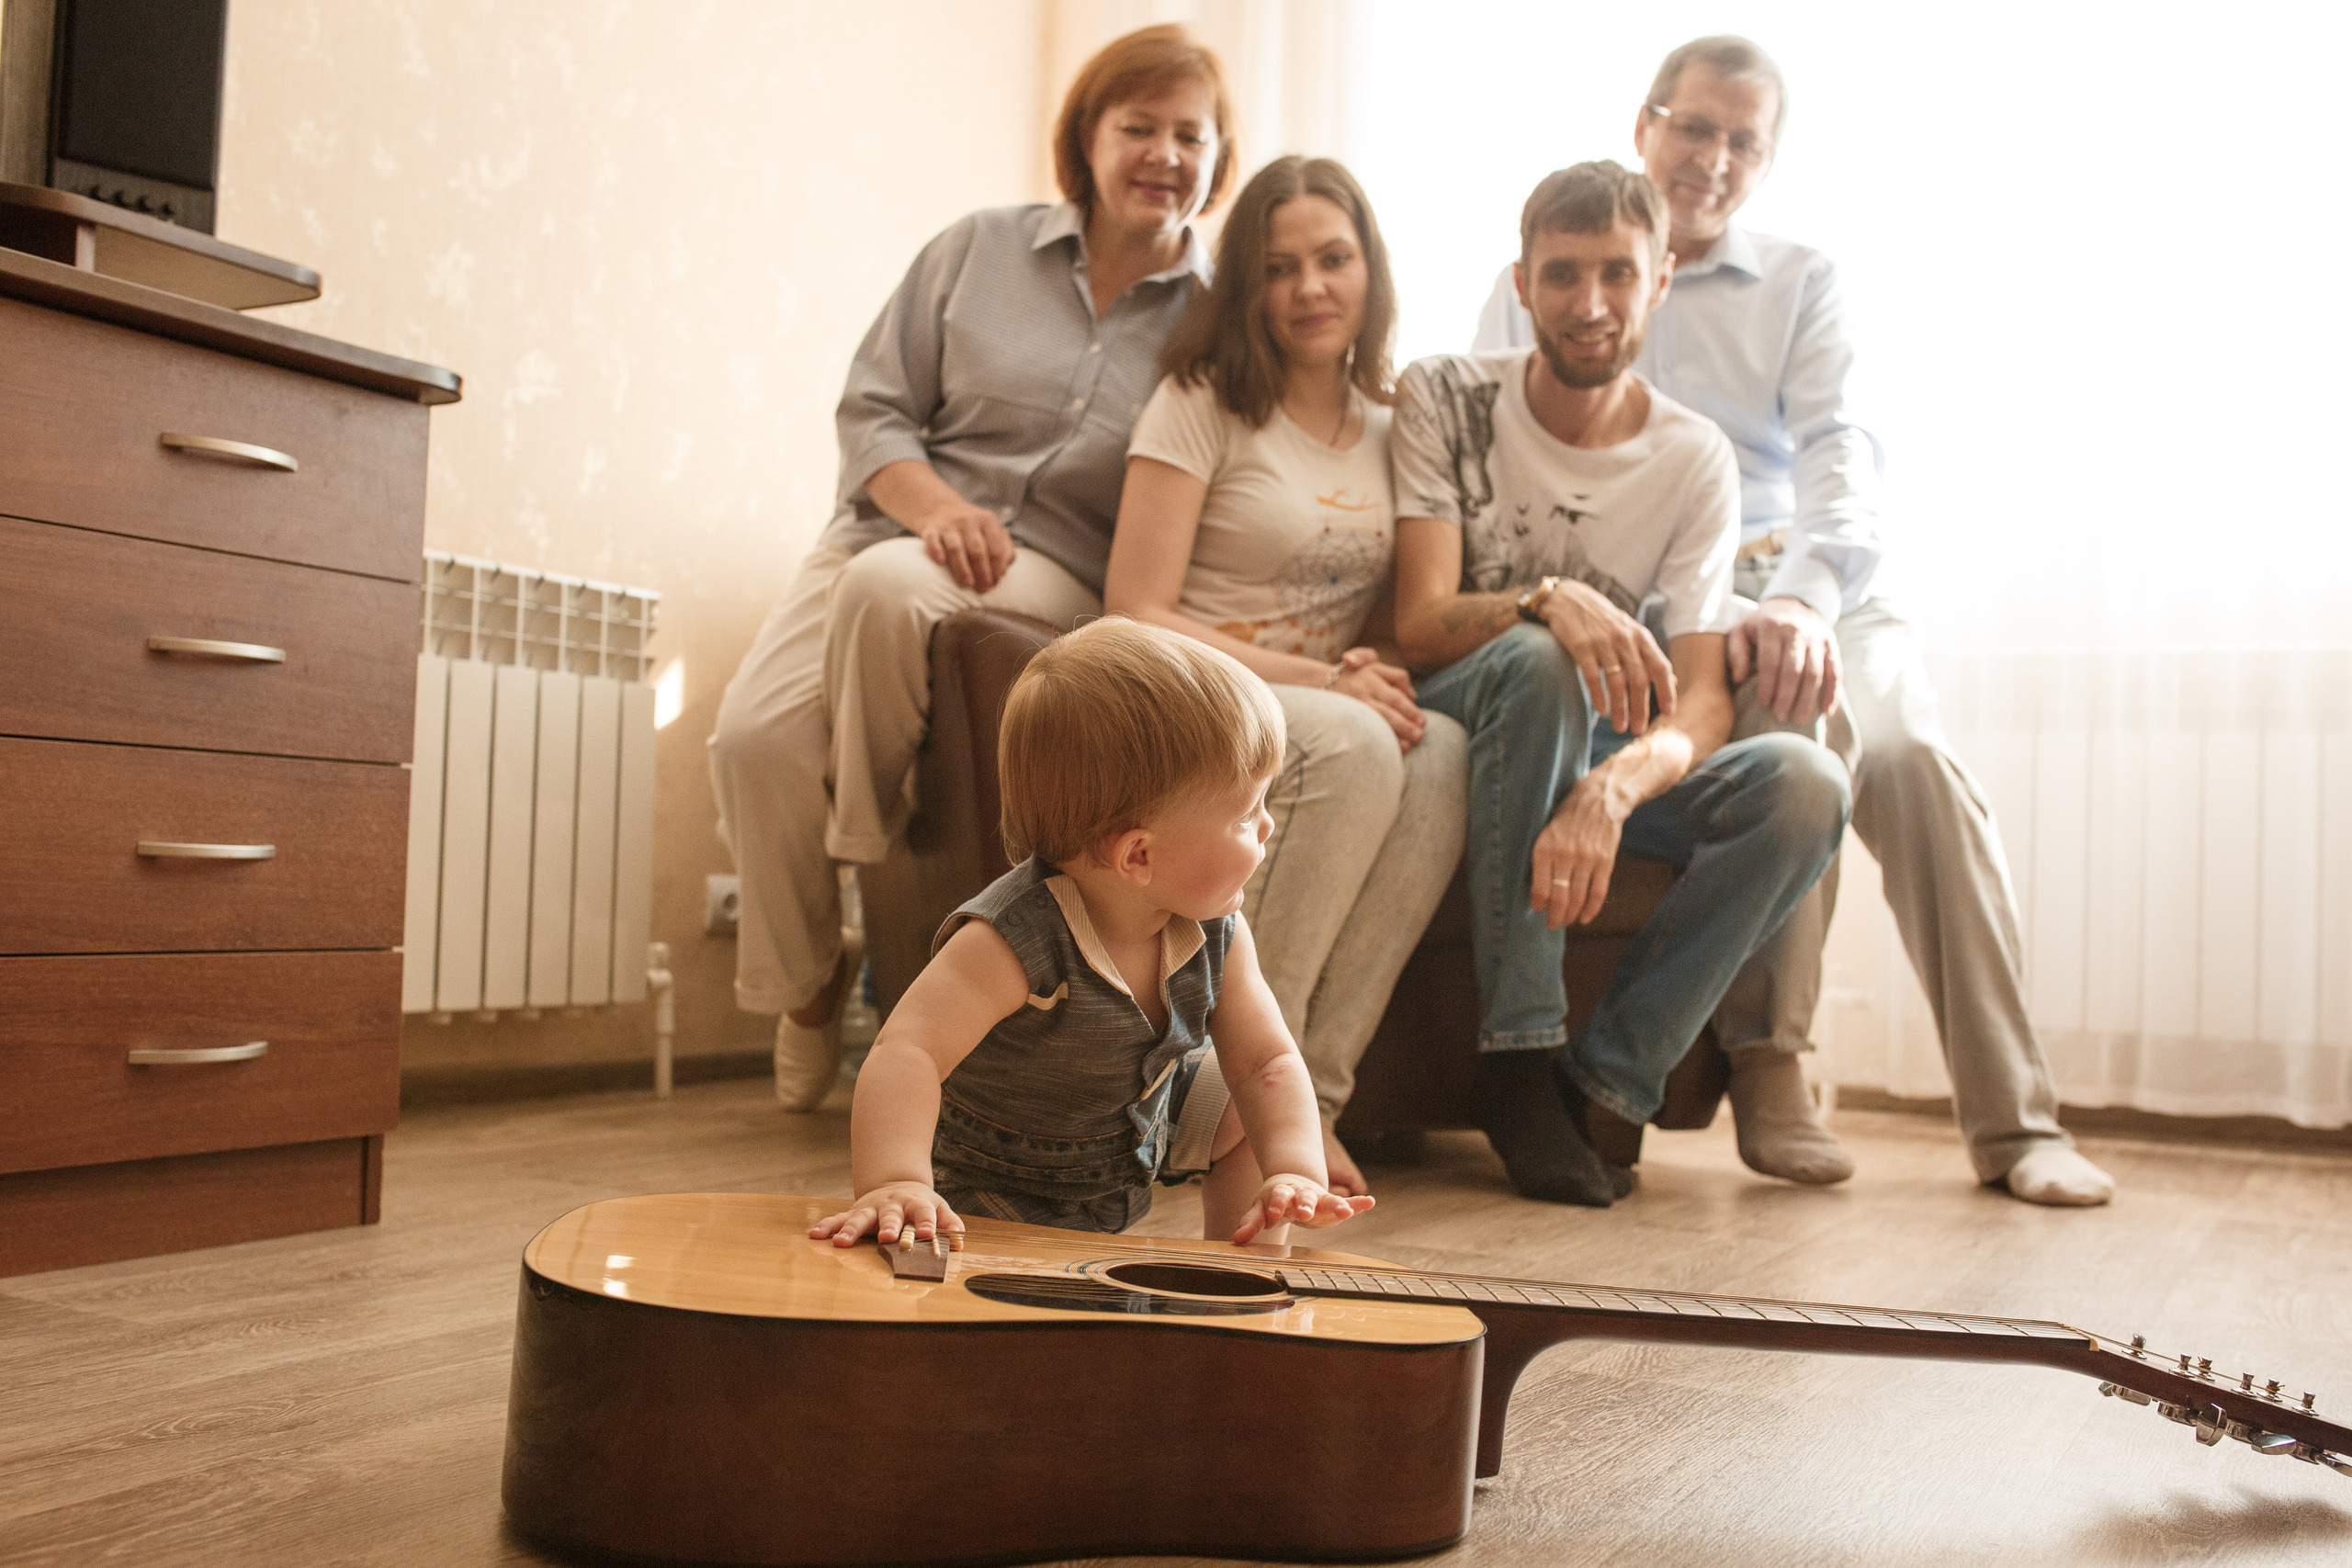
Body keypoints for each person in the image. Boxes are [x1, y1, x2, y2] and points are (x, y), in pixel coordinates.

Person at [1472, 37, 2114, 1205]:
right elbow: (1494, 458)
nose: (1712, 158)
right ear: (1645, 125)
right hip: (1651, 601)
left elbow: (1841, 455)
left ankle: (2017, 1124)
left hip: (1805, 577)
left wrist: (1801, 597)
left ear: (1767, 160)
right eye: (1694, 127)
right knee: (1789, 727)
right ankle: (1772, 1062)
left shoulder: (1801, 280)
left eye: (1742, 141)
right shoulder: (1555, 270)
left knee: (1908, 758)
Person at [708, 26, 1232, 1111]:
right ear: (1087, 138)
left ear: (1218, 157)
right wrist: (937, 510)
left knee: (892, 589)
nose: (1164, 154)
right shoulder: (976, 248)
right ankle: (808, 986)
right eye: (1138, 126)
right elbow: (873, 409)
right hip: (890, 525)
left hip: (1056, 573)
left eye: (1191, 135)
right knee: (752, 739)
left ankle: (861, 853)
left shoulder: (1218, 322)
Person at [1392, 161, 1849, 1209]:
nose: (1588, 303)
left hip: (1594, 743)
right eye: (1561, 275)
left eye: (1616, 274)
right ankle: (1516, 1058)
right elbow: (1418, 623)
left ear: (1661, 281)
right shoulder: (1445, 395)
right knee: (1540, 656)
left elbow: (1704, 698)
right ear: (1521, 284)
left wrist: (1611, 789)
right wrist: (1548, 599)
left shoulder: (1693, 456)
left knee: (1804, 783)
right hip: (1466, 718)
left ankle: (1604, 1084)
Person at [1103, 155, 1467, 1197]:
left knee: (1440, 747)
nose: (1310, 287)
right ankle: (1231, 1105)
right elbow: (1133, 606)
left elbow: (1401, 610)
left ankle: (1314, 1100)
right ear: (1245, 289)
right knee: (1356, 737)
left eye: (1333, 259)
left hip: (1317, 696)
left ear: (1371, 272)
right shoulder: (1199, 401)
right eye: (1278, 267)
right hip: (1188, 690)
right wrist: (1322, 677)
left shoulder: (1398, 428)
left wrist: (1355, 674)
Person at [808, 617, 1377, 1248]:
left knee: (1245, 1105)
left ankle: (1241, 1275)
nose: (1266, 827)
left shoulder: (1217, 930)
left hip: (1133, 1138)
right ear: (1139, 855)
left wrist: (1294, 1170)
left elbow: (1266, 1061)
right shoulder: (1012, 939)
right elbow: (907, 1051)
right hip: (997, 1182)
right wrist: (896, 1180)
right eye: (1246, 814)